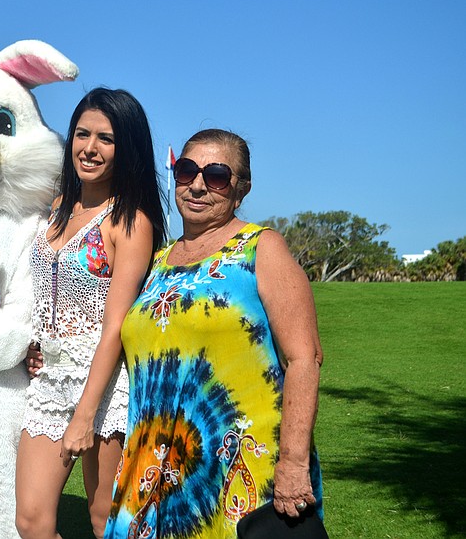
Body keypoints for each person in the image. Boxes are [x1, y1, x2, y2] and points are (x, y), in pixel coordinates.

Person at [103, 128, 324, 538]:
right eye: (187, 171)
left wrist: (293, 463)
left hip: (238, 467)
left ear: (241, 189)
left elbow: (304, 358)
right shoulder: (158, 261)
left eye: (217, 175)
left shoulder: (261, 248)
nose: (198, 185)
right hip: (151, 468)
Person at [15, 87, 167, 539]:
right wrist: (32, 345)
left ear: (127, 149)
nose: (90, 148)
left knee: (105, 521)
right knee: (31, 521)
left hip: (105, 388)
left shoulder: (129, 221)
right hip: (49, 382)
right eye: (82, 134)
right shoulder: (54, 210)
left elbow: (116, 327)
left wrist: (85, 414)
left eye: (106, 138)